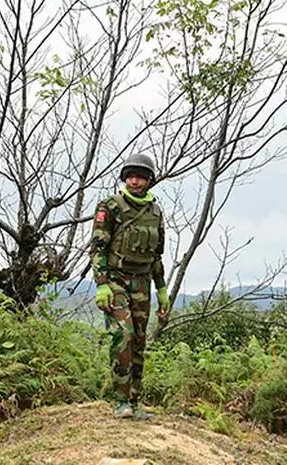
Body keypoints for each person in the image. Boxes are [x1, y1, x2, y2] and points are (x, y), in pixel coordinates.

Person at [89, 152, 170, 420]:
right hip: (115, 280)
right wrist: (102, 285)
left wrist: (162, 290)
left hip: (143, 282)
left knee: (138, 339)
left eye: (141, 177)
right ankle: (120, 401)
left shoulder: (155, 212)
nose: (135, 181)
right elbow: (98, 248)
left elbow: (157, 255)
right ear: (125, 179)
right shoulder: (110, 206)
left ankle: (135, 403)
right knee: (122, 335)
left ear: (149, 180)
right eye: (131, 176)